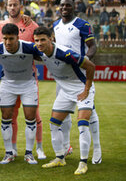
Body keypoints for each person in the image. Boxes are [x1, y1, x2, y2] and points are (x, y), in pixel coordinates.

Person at [0, 0, 46, 160]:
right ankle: (13, 150)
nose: (12, 8)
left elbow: (40, 46)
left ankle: (38, 148)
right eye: (9, 5)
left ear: (21, 6)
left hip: (29, 77)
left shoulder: (31, 24)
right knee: (11, 115)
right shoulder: (0, 26)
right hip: (9, 78)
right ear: (6, 7)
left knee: (34, 115)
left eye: (15, 5)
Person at [34, 26, 96, 175]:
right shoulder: (38, 50)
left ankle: (83, 163)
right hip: (65, 91)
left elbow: (91, 66)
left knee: (82, 125)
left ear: (51, 39)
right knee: (54, 124)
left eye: (43, 40)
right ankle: (60, 158)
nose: (40, 43)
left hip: (81, 89)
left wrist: (86, 90)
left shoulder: (65, 53)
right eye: (37, 40)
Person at [53, 0, 101, 165]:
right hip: (63, 77)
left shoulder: (82, 24)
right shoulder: (56, 25)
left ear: (74, 7)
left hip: (79, 75)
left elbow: (92, 46)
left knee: (88, 112)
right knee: (63, 114)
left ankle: (97, 149)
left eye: (68, 5)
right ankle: (66, 148)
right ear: (58, 7)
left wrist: (85, 60)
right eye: (62, 5)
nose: (64, 7)